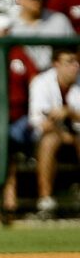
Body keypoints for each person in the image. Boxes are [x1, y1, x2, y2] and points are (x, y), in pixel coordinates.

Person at [28, 47, 80, 214]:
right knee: (49, 141)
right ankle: (46, 200)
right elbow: (38, 121)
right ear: (56, 64)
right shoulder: (41, 82)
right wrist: (62, 134)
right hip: (52, 137)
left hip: (76, 136)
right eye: (69, 62)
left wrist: (70, 112)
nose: (75, 66)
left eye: (76, 61)